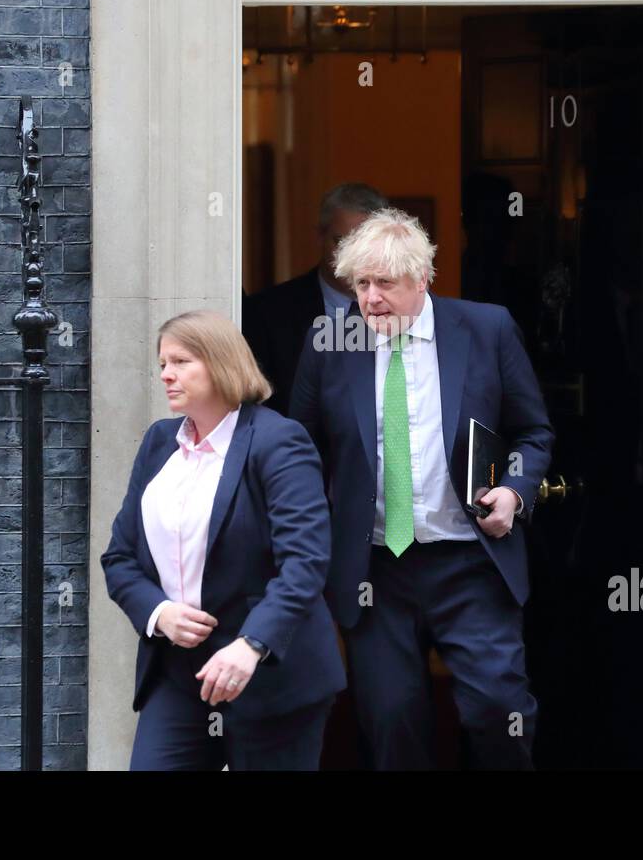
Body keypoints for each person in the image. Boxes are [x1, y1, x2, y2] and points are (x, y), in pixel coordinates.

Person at [288, 208, 555, 770]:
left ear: (423, 278)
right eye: (360, 283)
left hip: (470, 562)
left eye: (385, 283)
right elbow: (301, 449)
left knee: (497, 710)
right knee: (392, 723)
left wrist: (514, 491)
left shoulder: (486, 329)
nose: (371, 298)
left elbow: (534, 432)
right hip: (376, 572)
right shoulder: (330, 343)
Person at [101, 309, 345, 770]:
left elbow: (305, 562)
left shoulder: (278, 440)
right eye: (162, 364)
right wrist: (159, 613)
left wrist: (252, 643)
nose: (166, 375)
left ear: (220, 363)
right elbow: (119, 557)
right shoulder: (159, 442)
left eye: (181, 362)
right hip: (179, 673)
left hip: (271, 675)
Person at [242, 182, 389, 417]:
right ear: (320, 236)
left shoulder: (406, 309)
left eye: (364, 246)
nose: (351, 258)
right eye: (340, 242)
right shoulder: (268, 313)